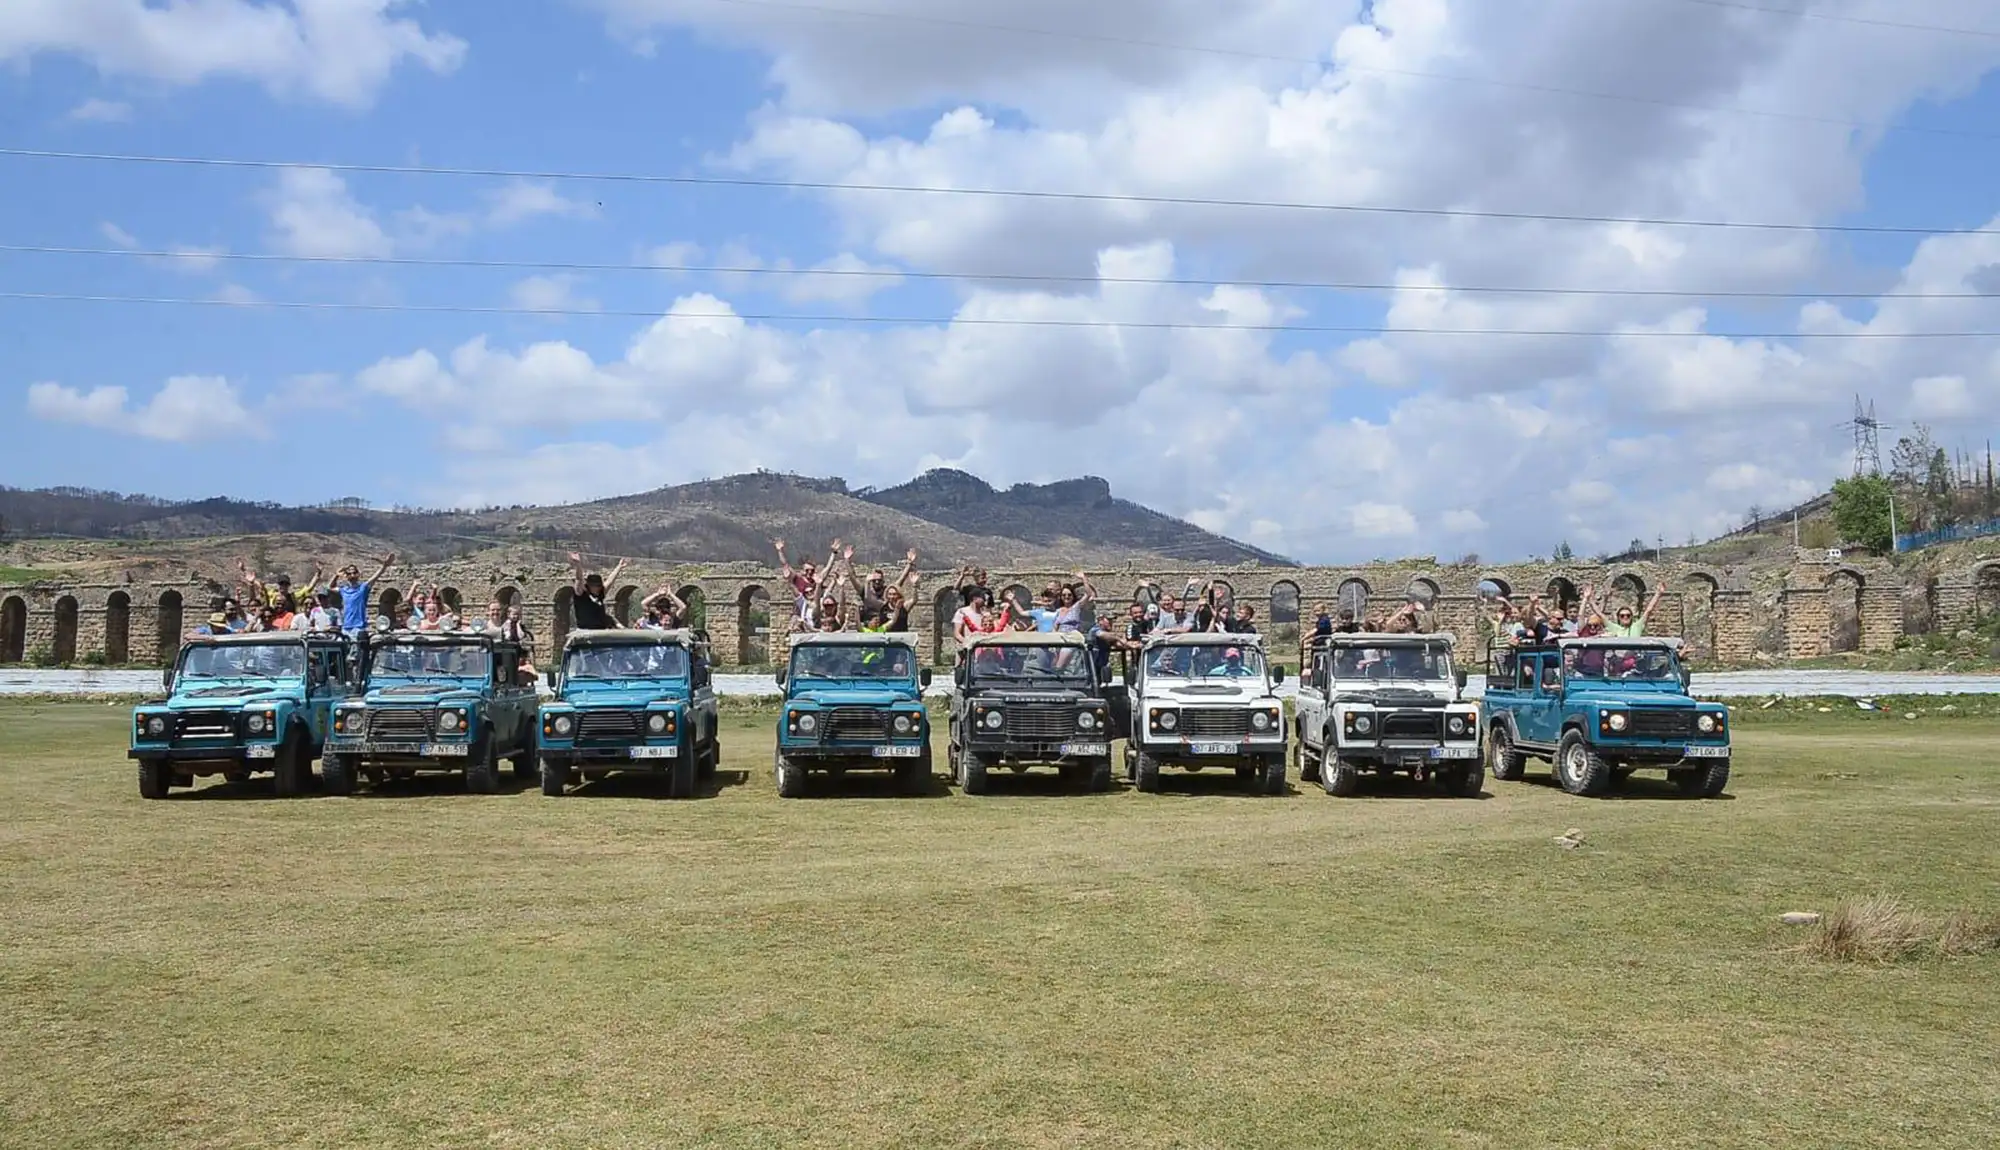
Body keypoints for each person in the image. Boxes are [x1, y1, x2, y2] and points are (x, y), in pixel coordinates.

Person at [333, 554, 395, 638]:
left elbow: (375, 577)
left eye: (354, 573)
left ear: (358, 574)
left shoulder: (363, 588)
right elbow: (329, 587)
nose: (352, 575)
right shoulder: (343, 590)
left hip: (359, 627)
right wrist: (336, 575)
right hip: (346, 627)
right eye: (349, 573)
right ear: (346, 576)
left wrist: (384, 566)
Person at [569, 552, 627, 631]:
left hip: (600, 630)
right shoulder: (581, 594)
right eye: (595, 586)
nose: (598, 588)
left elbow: (610, 581)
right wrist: (578, 564)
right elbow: (579, 579)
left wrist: (619, 567)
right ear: (589, 586)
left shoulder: (600, 593)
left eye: (599, 585)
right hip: (585, 630)